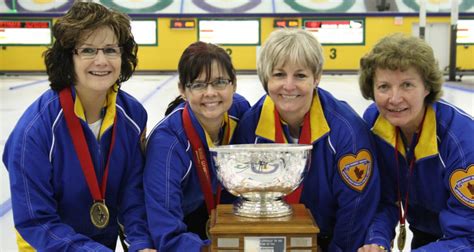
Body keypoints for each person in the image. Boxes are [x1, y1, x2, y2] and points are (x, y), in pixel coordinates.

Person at [2, 2, 155, 251]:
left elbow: (132, 197)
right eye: (88, 50)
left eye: (110, 49)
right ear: (67, 57)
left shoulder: (133, 116)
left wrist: (141, 244)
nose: (101, 60)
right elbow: (37, 221)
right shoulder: (34, 131)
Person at [232, 28, 381, 251]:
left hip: (329, 241)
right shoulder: (251, 126)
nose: (289, 86)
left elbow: (355, 212)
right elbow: (242, 201)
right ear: (265, 78)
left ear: (316, 77)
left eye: (300, 75)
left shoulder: (347, 131)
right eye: (279, 74)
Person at [357, 33, 474, 252]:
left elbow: (470, 237)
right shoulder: (374, 123)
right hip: (426, 233)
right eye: (384, 87)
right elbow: (382, 198)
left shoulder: (463, 141)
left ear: (427, 87)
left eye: (407, 85)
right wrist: (377, 241)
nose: (395, 98)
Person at [143, 41, 250, 251]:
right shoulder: (167, 144)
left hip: (223, 220)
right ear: (183, 90)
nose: (210, 93)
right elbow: (167, 234)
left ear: (234, 84)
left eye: (219, 82)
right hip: (183, 228)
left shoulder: (241, 111)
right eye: (199, 85)